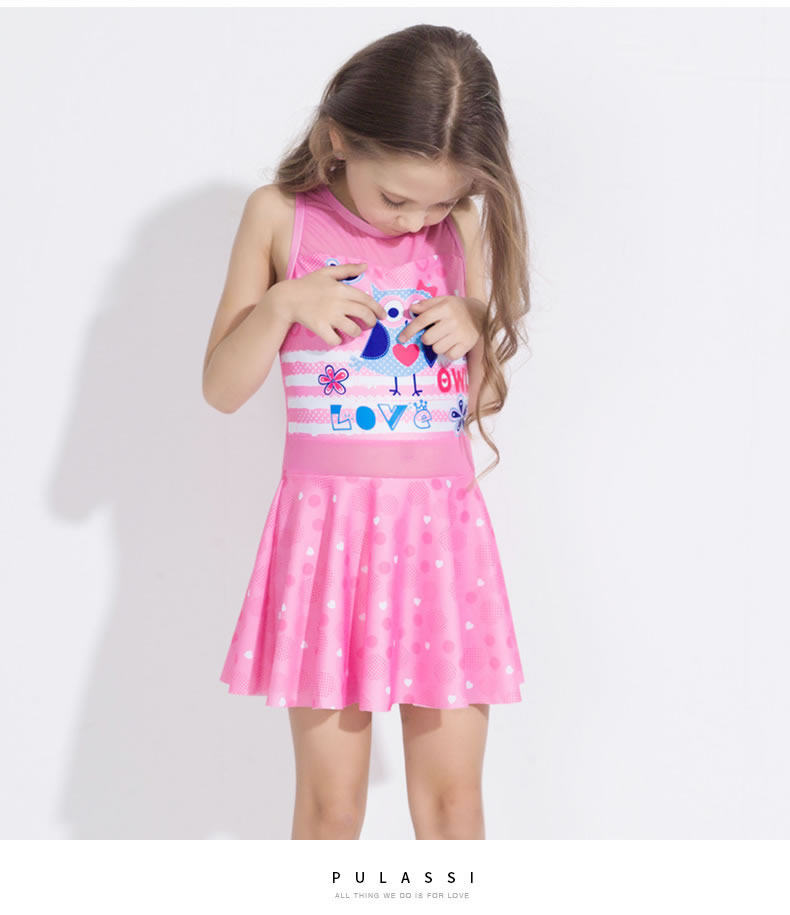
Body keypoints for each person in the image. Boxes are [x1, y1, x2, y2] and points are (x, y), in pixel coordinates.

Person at [203, 23, 531, 840]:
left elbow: (481, 401)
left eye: (441, 200)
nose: (416, 219)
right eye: (396, 198)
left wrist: (475, 330)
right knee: (331, 805)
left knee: (454, 802)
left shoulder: (458, 232)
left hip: (440, 538)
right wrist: (282, 305)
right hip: (328, 540)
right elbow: (221, 387)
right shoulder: (279, 217)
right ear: (338, 141)